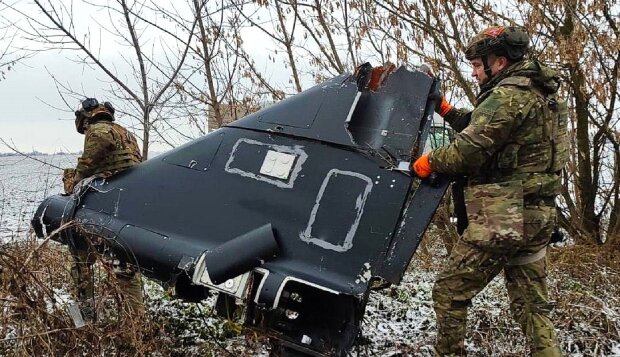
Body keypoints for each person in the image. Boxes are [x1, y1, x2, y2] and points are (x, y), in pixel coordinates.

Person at [412, 26, 567, 356]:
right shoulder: (542, 94)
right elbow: (490, 129)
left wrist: (430, 161)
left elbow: (466, 153)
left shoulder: (506, 96)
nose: (474, 70)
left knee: (449, 291)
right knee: (532, 307)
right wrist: (446, 110)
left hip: (505, 213)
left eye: (477, 64)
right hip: (539, 214)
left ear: (498, 62)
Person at [63, 97, 144, 322]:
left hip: (101, 213)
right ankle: (137, 326)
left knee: (81, 267)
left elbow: (80, 178)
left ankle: (83, 322)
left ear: (87, 118)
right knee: (126, 271)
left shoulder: (98, 132)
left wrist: (69, 177)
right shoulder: (127, 135)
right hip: (125, 213)